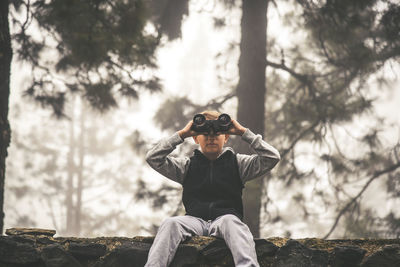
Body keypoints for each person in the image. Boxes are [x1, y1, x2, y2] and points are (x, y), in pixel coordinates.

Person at [144, 110, 280, 267]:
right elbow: (153, 158)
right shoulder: (187, 166)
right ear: (195, 137)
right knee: (171, 223)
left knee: (233, 223)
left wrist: (243, 132)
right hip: (193, 221)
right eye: (205, 134)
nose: (211, 138)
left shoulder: (238, 164)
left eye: (217, 133)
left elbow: (272, 157)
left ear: (226, 136)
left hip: (225, 219)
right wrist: (182, 134)